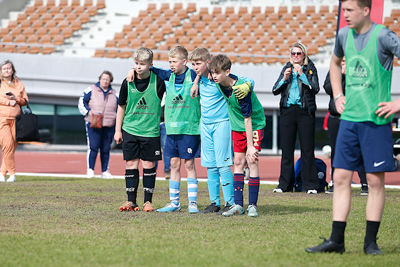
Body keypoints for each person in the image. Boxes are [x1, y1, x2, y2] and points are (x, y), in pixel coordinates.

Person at [306, 0, 400, 255]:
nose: (344, 15)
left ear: (366, 10)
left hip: (376, 121)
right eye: (343, 10)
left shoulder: (384, 36)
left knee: (374, 181)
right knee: (340, 177)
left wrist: (398, 103)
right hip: (349, 120)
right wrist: (337, 95)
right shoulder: (343, 35)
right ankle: (337, 240)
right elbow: (335, 64)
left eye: (349, 10)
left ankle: (370, 243)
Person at [127, 46, 201, 213]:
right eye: (169, 62)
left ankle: (192, 203)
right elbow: (148, 66)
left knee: (189, 164)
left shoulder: (194, 75)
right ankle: (174, 202)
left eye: (174, 62)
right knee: (174, 164)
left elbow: (207, 70)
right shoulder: (169, 76)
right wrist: (132, 69)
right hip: (172, 128)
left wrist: (196, 81)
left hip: (189, 128)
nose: (171, 65)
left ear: (185, 62)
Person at [189, 48, 253, 214]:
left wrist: (247, 85)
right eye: (193, 64)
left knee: (223, 164)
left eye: (198, 64)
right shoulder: (196, 76)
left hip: (222, 124)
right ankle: (214, 202)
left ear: (208, 63)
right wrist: (196, 80)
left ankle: (230, 202)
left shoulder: (217, 77)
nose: (195, 67)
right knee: (210, 165)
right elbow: (185, 71)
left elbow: (247, 80)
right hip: (206, 124)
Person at [208, 54, 265, 218]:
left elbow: (248, 119)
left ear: (227, 72)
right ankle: (238, 205)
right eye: (213, 73)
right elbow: (201, 71)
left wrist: (251, 146)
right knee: (238, 162)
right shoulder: (217, 80)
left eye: (217, 73)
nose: (214, 76)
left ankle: (252, 205)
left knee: (251, 160)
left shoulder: (241, 91)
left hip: (253, 125)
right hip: (237, 127)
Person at [115, 47, 166, 212]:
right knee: (131, 163)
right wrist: (117, 130)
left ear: (150, 64)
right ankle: (131, 201)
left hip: (150, 130)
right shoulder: (127, 81)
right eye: (136, 64)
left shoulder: (158, 81)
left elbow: (175, 76)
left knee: (148, 164)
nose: (138, 67)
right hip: (129, 128)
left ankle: (148, 202)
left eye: (142, 64)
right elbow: (121, 107)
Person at [272, 42, 320, 194]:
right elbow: (275, 90)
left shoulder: (310, 68)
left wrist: (302, 76)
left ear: (304, 55)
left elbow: (315, 88)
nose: (295, 56)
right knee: (286, 150)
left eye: (298, 53)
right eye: (293, 53)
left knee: (307, 150)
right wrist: (284, 79)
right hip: (287, 111)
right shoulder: (286, 68)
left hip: (305, 112)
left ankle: (310, 185)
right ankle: (285, 185)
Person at [323, 58, 368, 195]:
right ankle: (335, 182)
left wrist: (348, 75)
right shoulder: (333, 71)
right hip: (335, 118)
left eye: (345, 60)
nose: (343, 62)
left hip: (354, 117)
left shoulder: (357, 71)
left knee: (359, 150)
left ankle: (365, 183)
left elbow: (360, 91)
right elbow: (328, 88)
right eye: (341, 60)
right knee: (336, 152)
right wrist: (340, 75)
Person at [78, 71, 117, 179]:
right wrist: (88, 113)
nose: (105, 81)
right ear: (100, 79)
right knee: (93, 147)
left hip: (109, 125)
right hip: (93, 124)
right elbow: (82, 102)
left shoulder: (114, 93)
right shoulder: (90, 89)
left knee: (106, 149)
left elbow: (120, 107)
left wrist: (116, 118)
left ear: (110, 81)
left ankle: (105, 171)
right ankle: (90, 170)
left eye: (107, 79)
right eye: (103, 79)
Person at [0, 60, 28, 183]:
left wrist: (16, 99)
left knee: (11, 148)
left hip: (17, 120)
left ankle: (2, 173)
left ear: (12, 70)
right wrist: (8, 102)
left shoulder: (19, 84)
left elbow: (25, 101)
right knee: (7, 146)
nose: (6, 70)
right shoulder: (0, 83)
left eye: (8, 68)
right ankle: (12, 174)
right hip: (2, 119)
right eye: (4, 68)